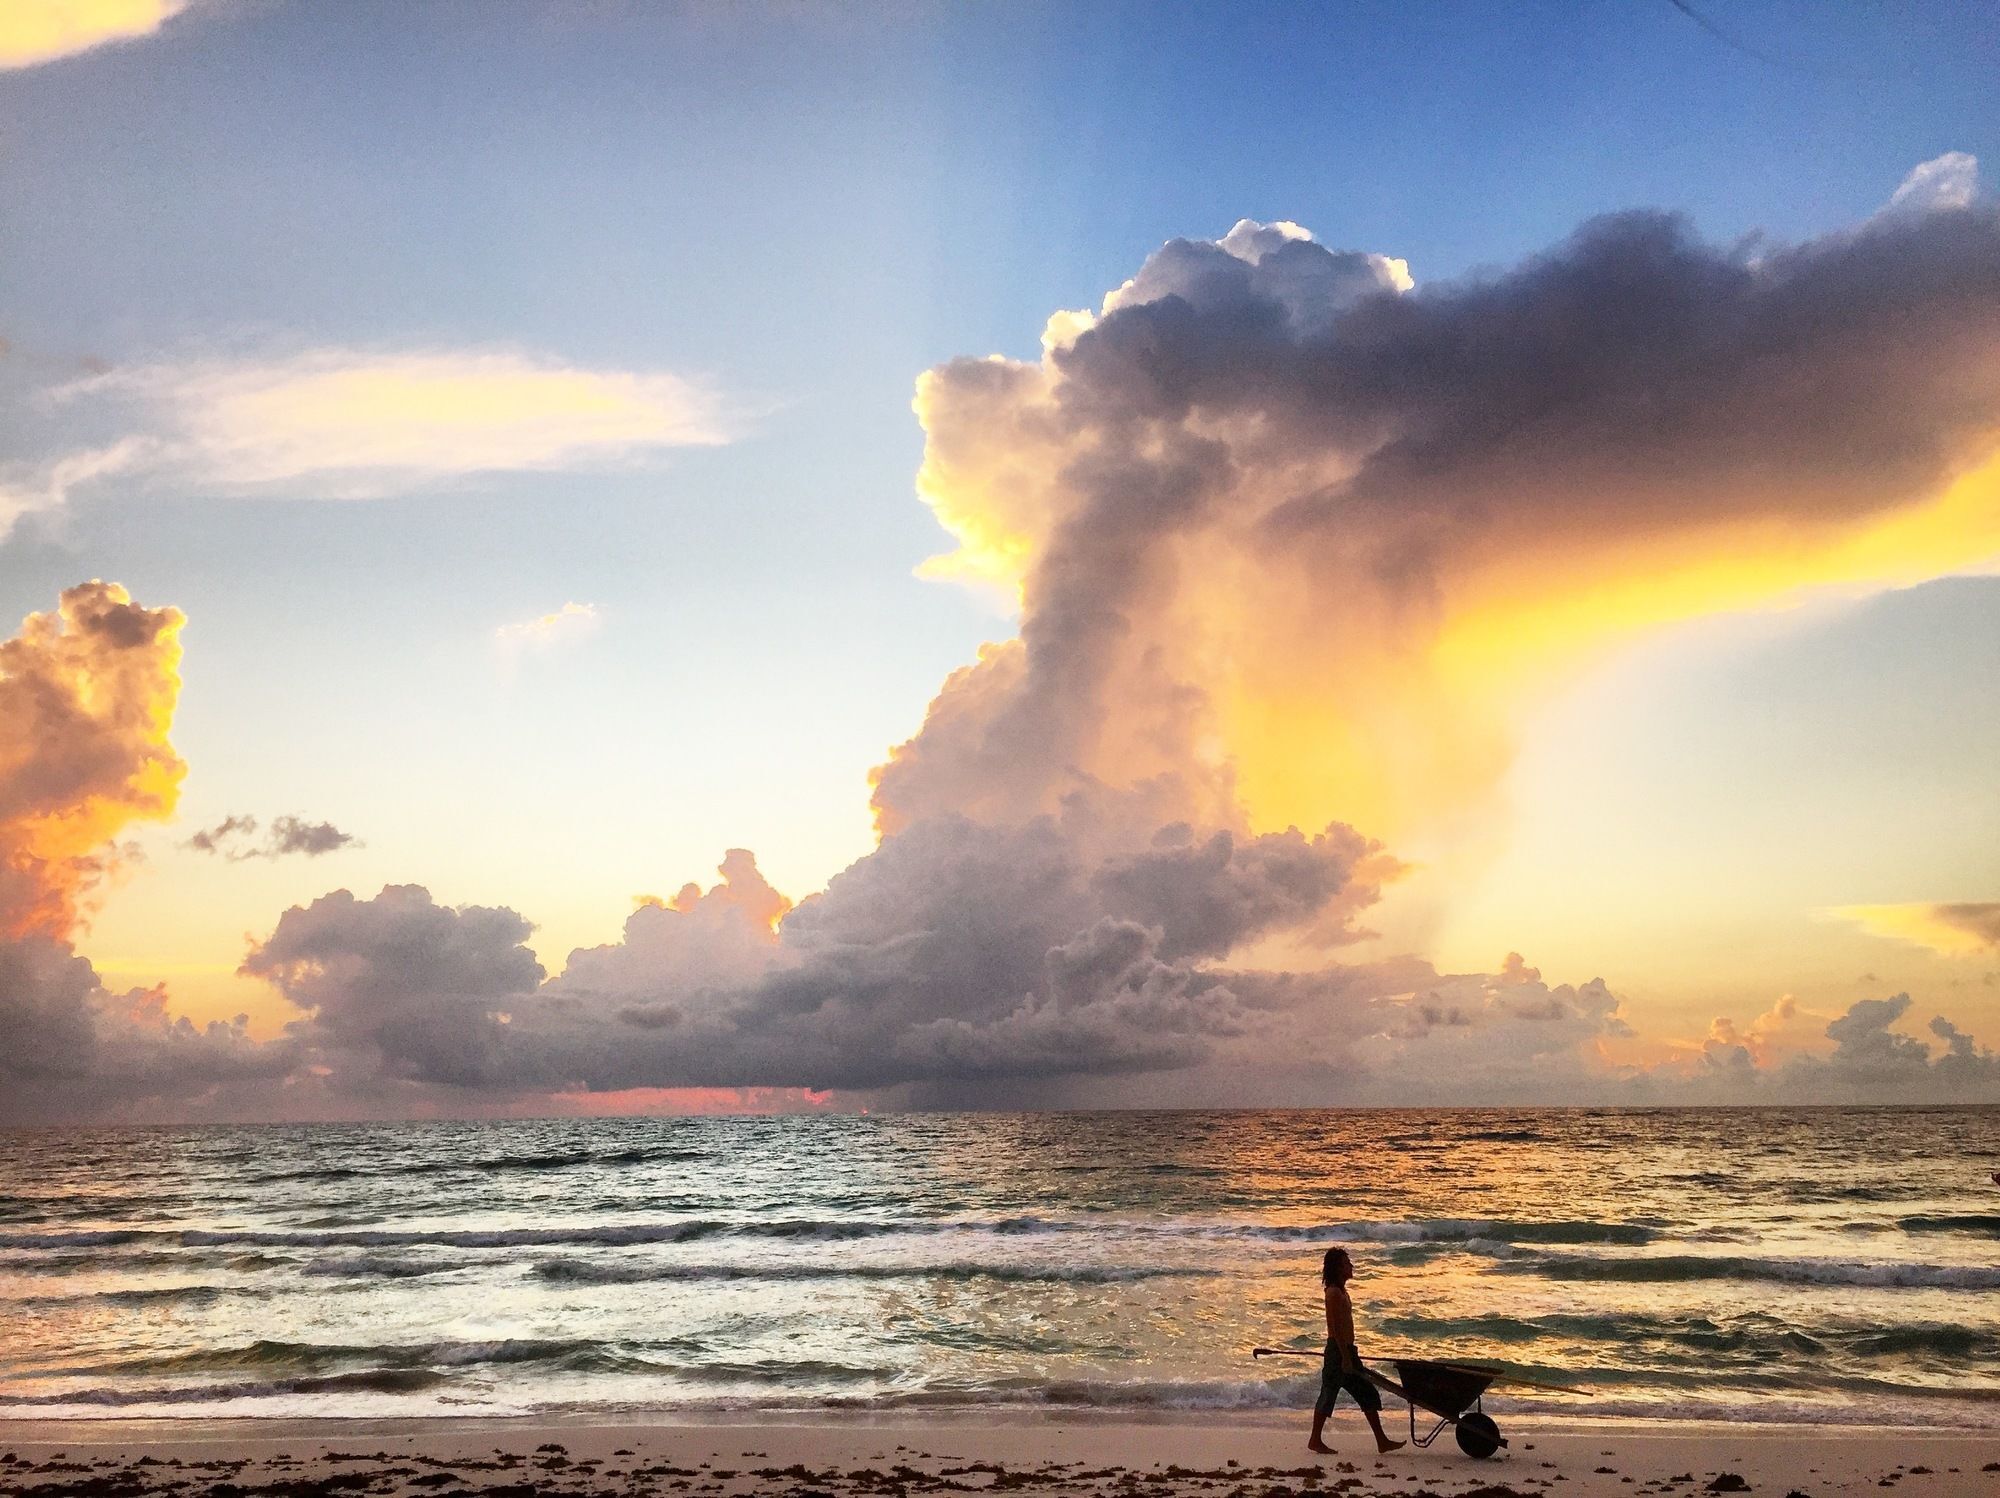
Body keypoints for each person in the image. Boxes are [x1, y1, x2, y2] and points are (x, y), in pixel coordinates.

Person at [1308, 1246, 1405, 1456]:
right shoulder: (1333, 1293)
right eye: (1346, 1263)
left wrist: (1350, 1354)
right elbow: (1334, 1329)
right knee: (1329, 1394)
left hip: (1347, 1351)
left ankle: (1381, 1440)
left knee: (1365, 1392)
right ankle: (1315, 1440)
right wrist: (1345, 1358)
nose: (1350, 1266)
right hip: (1338, 1352)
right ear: (1337, 1268)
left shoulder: (1342, 1291)